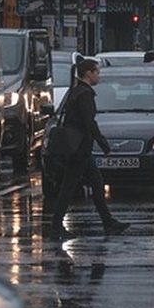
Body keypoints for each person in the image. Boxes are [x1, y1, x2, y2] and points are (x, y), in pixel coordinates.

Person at [50, 57, 130, 240]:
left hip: (79, 148)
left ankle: (108, 222)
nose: (99, 76)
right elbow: (88, 122)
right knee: (69, 187)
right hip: (80, 149)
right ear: (88, 74)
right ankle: (56, 226)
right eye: (97, 72)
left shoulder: (76, 91)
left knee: (96, 183)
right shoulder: (84, 94)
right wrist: (104, 146)